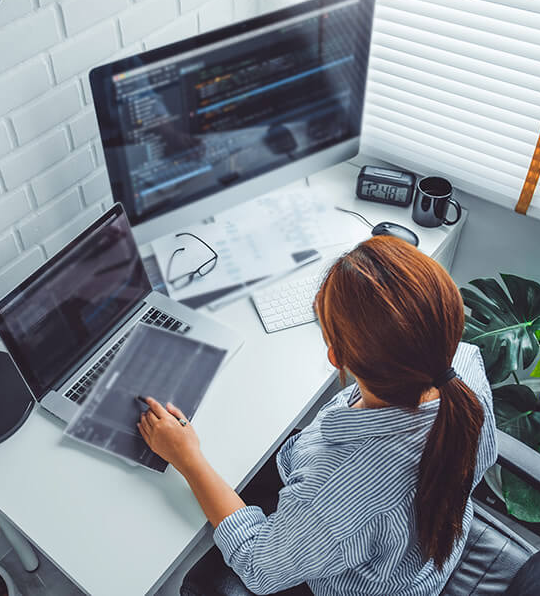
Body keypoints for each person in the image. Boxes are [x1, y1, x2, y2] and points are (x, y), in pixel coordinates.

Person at [138, 235, 497, 596]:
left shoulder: (338, 491)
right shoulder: (464, 367)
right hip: (420, 558)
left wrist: (187, 458)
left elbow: (259, 567)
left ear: (335, 356)